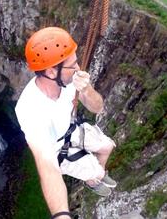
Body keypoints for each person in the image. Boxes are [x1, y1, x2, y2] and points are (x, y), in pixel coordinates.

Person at [15, 27, 116, 219]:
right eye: (73, 65)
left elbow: (97, 107)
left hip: (70, 128)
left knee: (108, 146)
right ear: (52, 71)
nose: (78, 69)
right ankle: (94, 178)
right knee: (96, 172)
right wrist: (61, 216)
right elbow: (48, 168)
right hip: (57, 148)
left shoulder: (69, 81)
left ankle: (95, 175)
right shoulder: (31, 110)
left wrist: (86, 90)